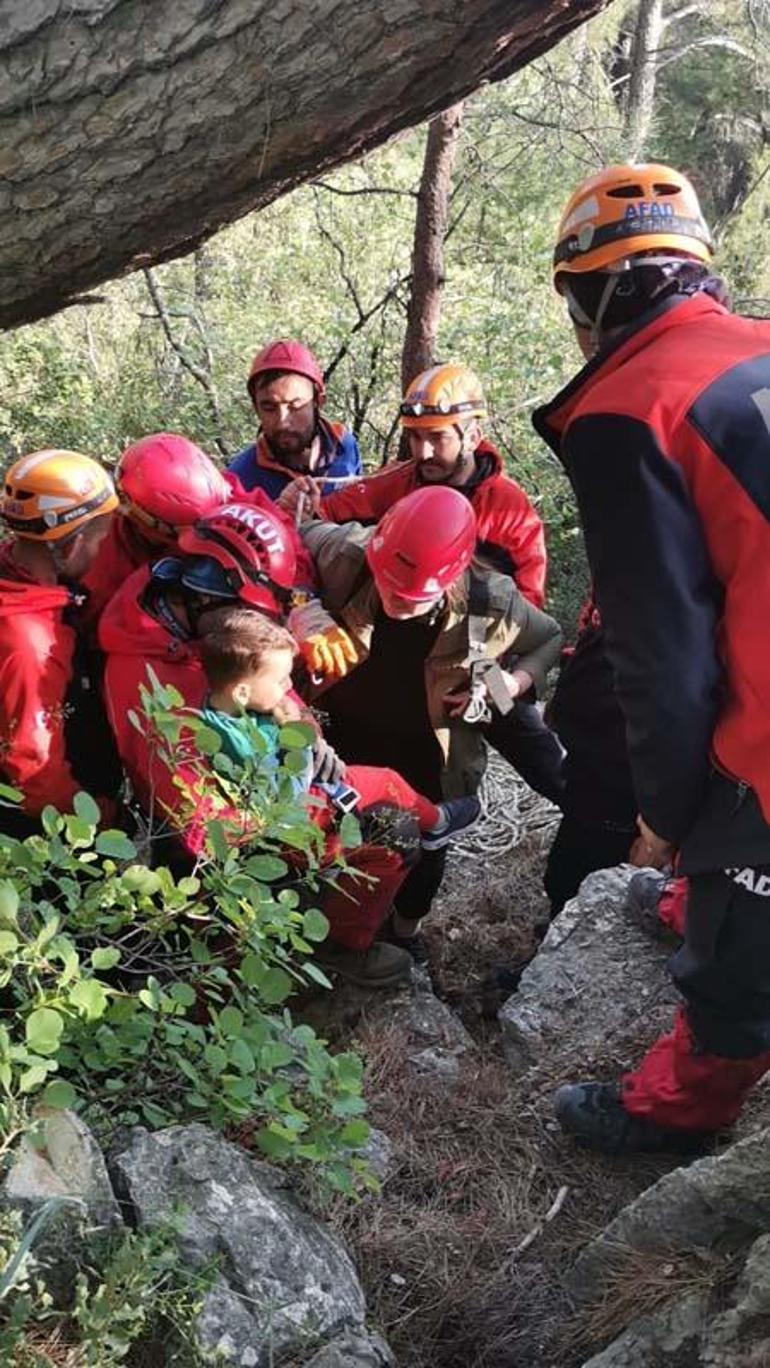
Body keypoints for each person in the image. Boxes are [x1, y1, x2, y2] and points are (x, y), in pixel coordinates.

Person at [532, 161, 770, 1154]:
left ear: (594, 291)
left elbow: (661, 658)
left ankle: (676, 1113)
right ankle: (699, 888)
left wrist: (663, 818)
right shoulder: (754, 348)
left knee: (737, 966)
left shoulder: (629, 407)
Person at [99, 502, 419, 987]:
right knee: (386, 834)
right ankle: (275, 964)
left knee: (390, 821)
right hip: (219, 840)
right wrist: (308, 814)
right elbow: (202, 825)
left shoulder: (203, 626)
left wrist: (308, 738)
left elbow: (271, 682)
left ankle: (335, 945)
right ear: (212, 598)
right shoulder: (147, 680)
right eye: (254, 611)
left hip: (261, 787)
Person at [291, 484, 563, 958]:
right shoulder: (346, 553)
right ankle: (331, 925)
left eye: (411, 597)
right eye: (388, 585)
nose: (395, 600)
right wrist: (300, 608)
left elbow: (549, 639)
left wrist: (503, 687)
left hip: (432, 744)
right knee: (336, 830)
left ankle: (405, 932)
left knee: (425, 848)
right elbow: (284, 541)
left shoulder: (490, 602)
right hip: (346, 728)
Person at [280, 362, 564, 806]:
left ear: (471, 435)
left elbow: (528, 610)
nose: (424, 451)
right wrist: (301, 501)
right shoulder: (398, 482)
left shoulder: (508, 508)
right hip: (403, 621)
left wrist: (506, 681)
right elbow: (319, 527)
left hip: (480, 644)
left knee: (520, 730)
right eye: (416, 436)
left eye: (437, 437)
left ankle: (591, 814)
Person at [197, 603, 481, 850]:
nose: (289, 685)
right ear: (242, 693)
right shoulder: (241, 747)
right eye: (280, 680)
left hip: (301, 779)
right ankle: (437, 823)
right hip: (307, 805)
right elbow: (288, 798)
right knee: (387, 782)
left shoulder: (223, 706)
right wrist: (298, 740)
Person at [0, 449, 121, 834]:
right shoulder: (29, 642)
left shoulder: (18, 579)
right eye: (102, 537)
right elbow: (34, 770)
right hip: (37, 830)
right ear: (71, 544)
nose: (106, 549)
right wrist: (97, 817)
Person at [82, 431, 308, 623]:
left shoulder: (233, 501)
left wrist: (304, 610)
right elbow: (100, 622)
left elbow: (293, 556)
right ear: (136, 514)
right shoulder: (112, 553)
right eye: (187, 528)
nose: (203, 534)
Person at [227, 339, 362, 500]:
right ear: (256, 408)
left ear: (318, 402)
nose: (283, 421)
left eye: (295, 406)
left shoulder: (344, 446)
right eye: (269, 408)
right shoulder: (241, 480)